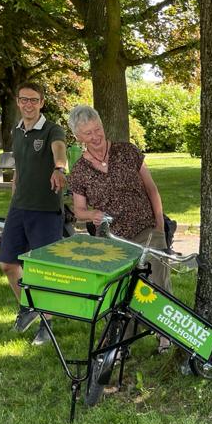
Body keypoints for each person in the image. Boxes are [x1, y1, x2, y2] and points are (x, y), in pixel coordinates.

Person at [66, 104, 172, 353]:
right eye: (88, 133)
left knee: (159, 280)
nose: (96, 136)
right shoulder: (80, 170)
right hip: (114, 237)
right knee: (123, 289)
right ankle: (125, 339)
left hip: (146, 226)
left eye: (98, 129)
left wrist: (159, 223)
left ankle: (165, 334)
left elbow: (151, 188)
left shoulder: (127, 151)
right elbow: (79, 211)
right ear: (78, 137)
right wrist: (92, 214)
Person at [0, 81, 68, 346]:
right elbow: (19, 166)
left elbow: (59, 151)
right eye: (24, 100)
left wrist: (59, 169)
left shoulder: (52, 129)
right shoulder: (17, 131)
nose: (28, 104)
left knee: (42, 270)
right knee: (7, 263)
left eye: (34, 100)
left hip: (45, 209)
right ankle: (28, 307)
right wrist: (15, 190)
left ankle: (47, 324)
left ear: (42, 103)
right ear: (18, 101)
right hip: (19, 207)